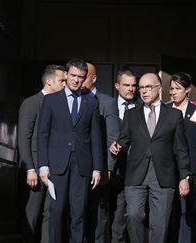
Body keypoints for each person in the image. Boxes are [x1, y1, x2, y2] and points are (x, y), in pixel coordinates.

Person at [110, 73, 190, 243]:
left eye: (148, 87)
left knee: (160, 224)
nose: (143, 91)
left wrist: (184, 177)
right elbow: (124, 140)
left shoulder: (174, 115)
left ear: (159, 89)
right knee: (132, 215)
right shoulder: (132, 115)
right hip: (136, 173)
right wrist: (117, 146)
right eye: (141, 88)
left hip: (163, 175)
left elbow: (181, 149)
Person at [37, 57, 103, 243]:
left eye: (80, 77)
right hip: (57, 165)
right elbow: (43, 134)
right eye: (73, 75)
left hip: (82, 166)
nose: (76, 80)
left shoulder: (91, 103)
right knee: (56, 211)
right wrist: (43, 165)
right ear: (66, 75)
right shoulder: (50, 100)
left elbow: (96, 137)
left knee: (79, 212)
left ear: (85, 79)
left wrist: (97, 168)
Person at [17, 64, 66, 243]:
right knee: (32, 213)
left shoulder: (60, 105)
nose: (64, 84)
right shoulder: (31, 103)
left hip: (55, 170)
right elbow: (24, 138)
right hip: (36, 170)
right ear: (48, 81)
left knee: (51, 214)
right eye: (61, 80)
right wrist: (30, 168)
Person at [82, 62, 120, 243]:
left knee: (99, 214)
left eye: (84, 76)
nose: (79, 80)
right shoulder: (73, 100)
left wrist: (108, 169)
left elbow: (113, 137)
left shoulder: (107, 102)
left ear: (94, 78)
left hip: (100, 168)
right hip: (78, 169)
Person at [168, 72, 196, 243]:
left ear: (188, 90)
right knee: (170, 212)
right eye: (171, 88)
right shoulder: (165, 110)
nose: (173, 92)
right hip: (168, 168)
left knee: (188, 213)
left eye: (178, 88)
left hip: (192, 169)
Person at [110, 69, 138, 243]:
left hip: (136, 170)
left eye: (134, 85)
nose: (131, 89)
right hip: (113, 170)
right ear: (117, 86)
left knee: (136, 216)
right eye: (126, 85)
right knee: (114, 216)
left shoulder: (143, 107)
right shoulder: (107, 106)